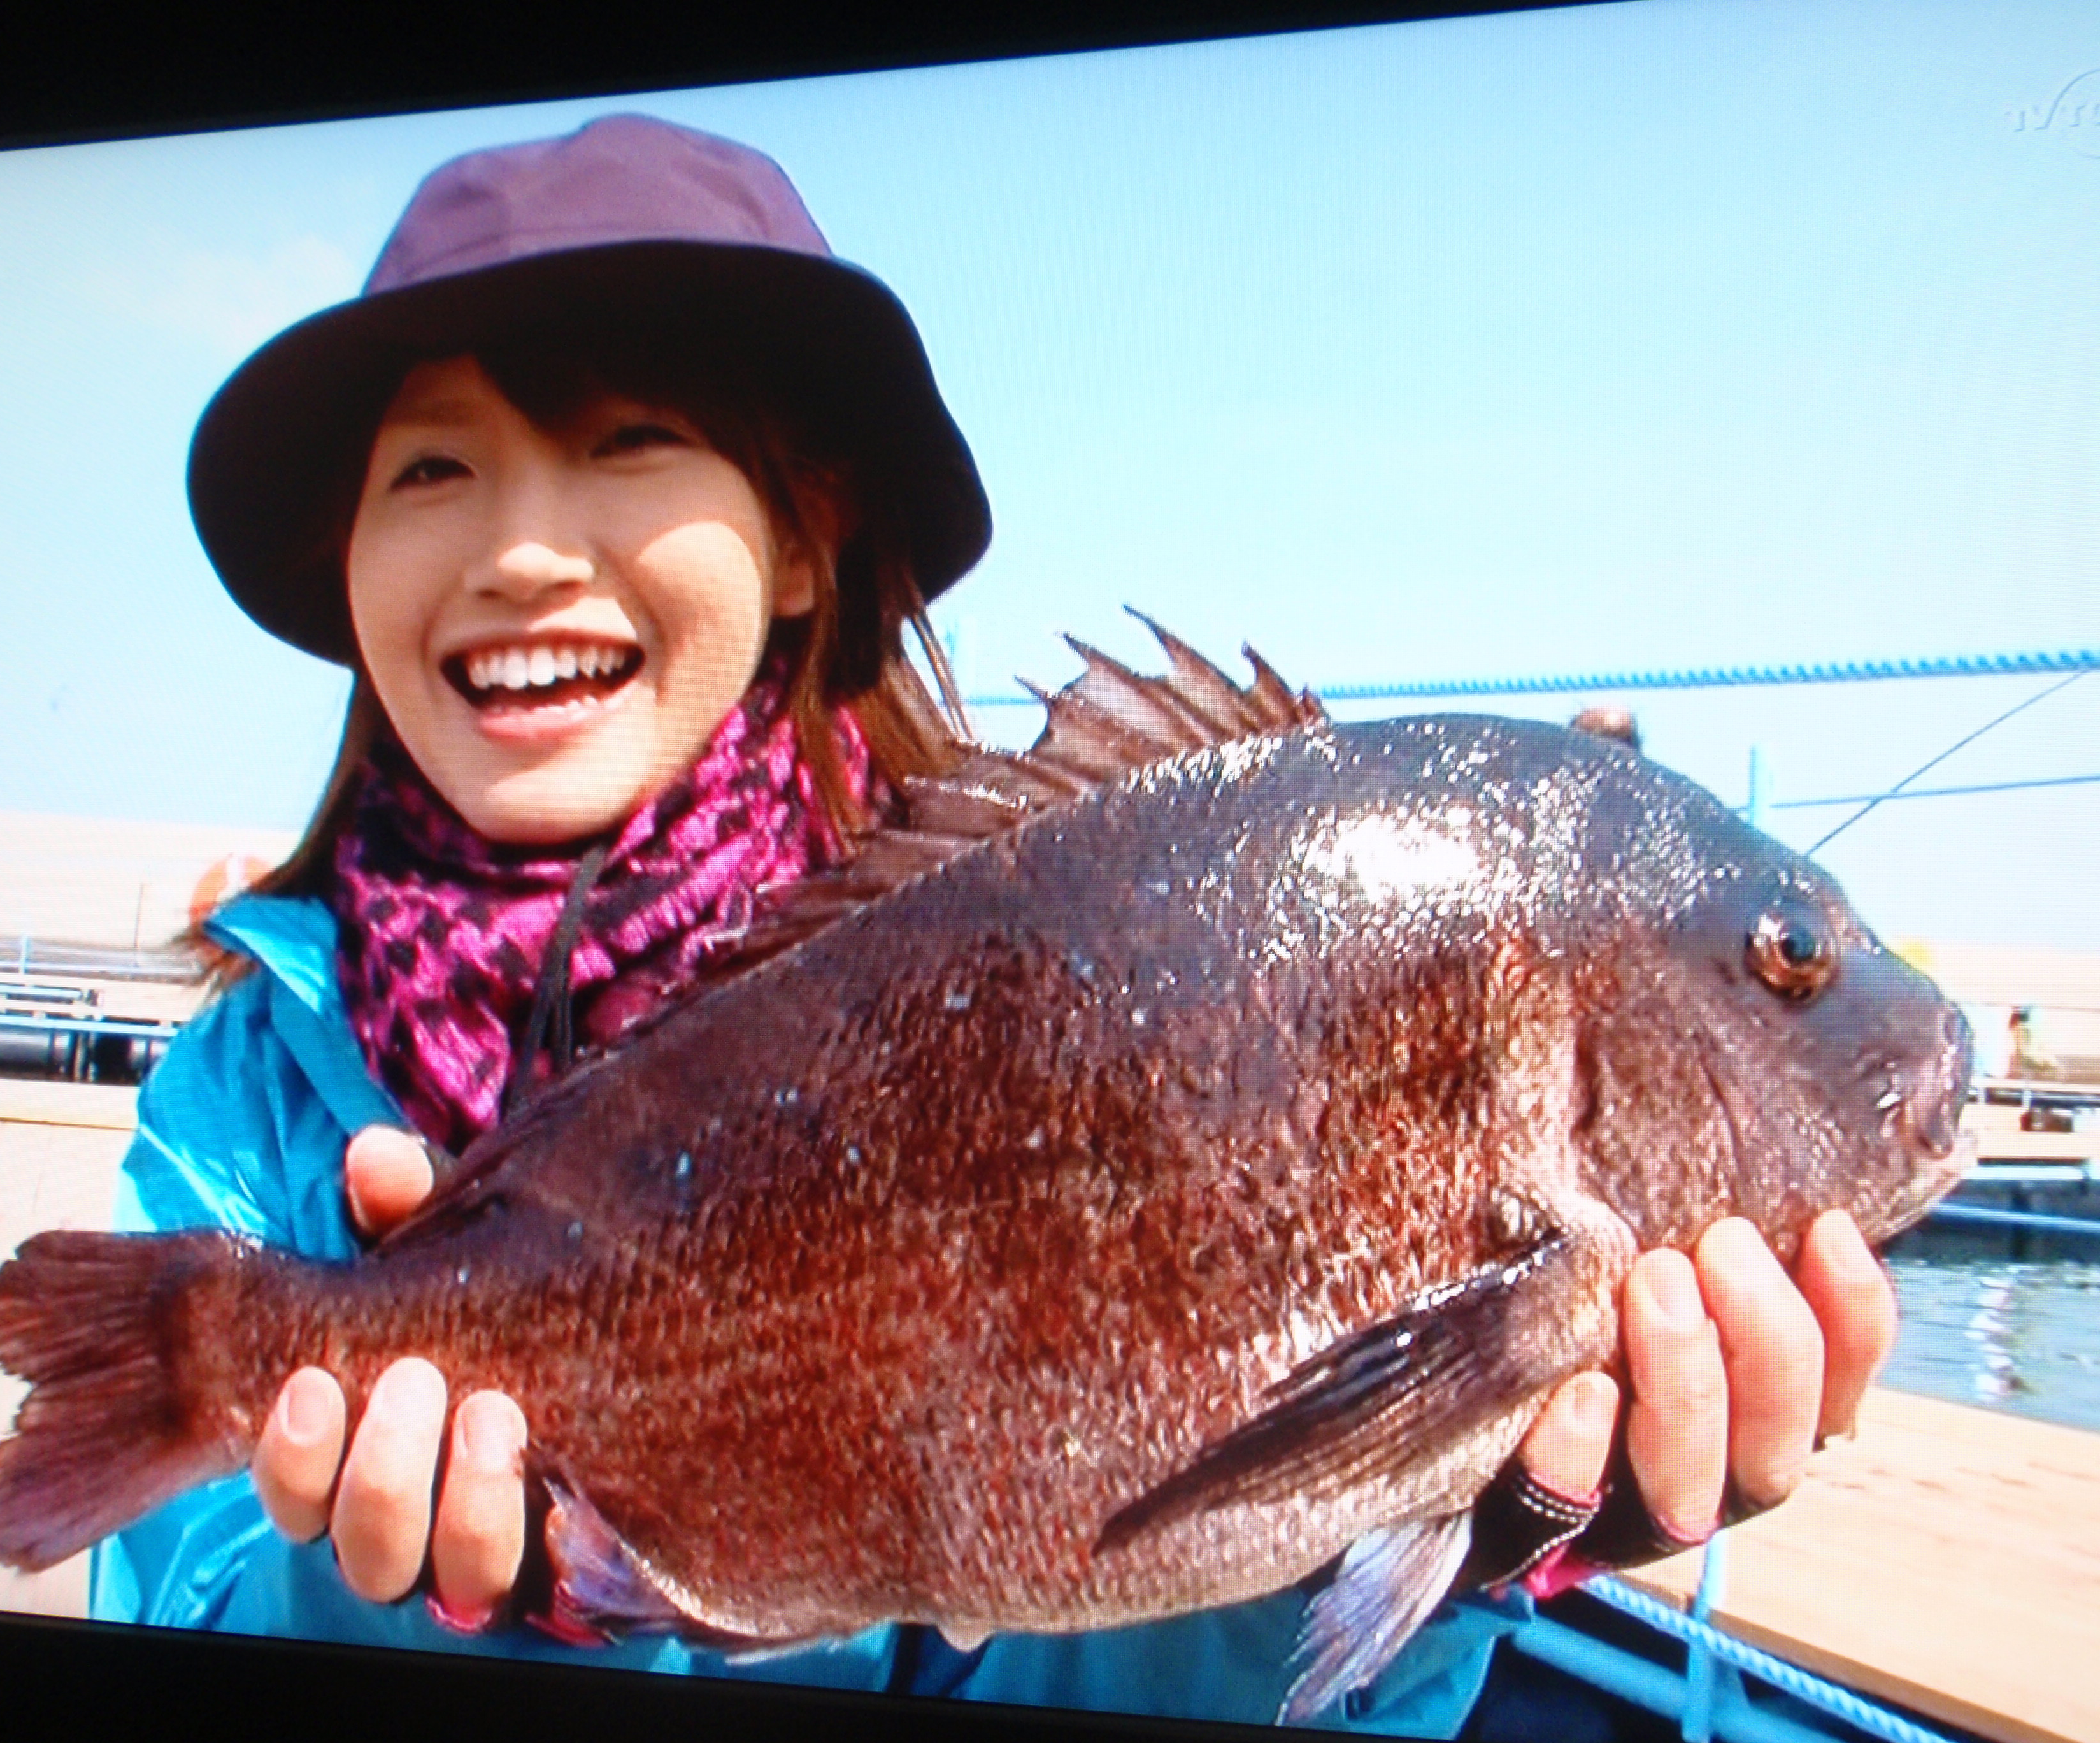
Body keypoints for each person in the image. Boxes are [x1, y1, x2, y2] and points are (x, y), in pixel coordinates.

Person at [96, 115, 1900, 1734]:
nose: (521, 550)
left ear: (803, 540)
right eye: (432, 471)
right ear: (348, 559)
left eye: (630, 442)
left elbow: (1044, 1615)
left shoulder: (977, 953)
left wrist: (1417, 1525)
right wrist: (389, 1596)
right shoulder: (241, 1105)